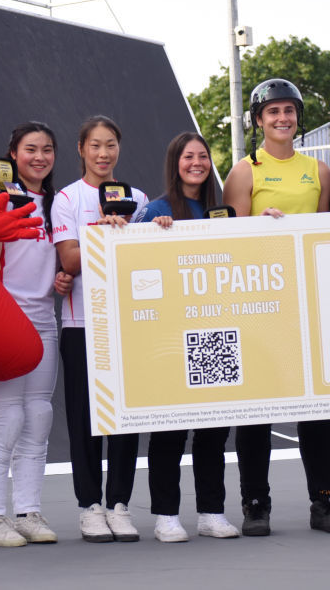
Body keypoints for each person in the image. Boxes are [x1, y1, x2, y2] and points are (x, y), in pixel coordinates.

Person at [222, 78, 330, 537]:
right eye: (272, 112)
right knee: (257, 409)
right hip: (258, 301)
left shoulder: (318, 170)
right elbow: (228, 241)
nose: (282, 119)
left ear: (297, 117)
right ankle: (256, 503)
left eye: (288, 111)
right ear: (258, 120)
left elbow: (321, 235)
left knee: (316, 405)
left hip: (305, 298)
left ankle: (325, 501)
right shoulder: (243, 172)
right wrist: (255, 226)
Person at [136, 132, 240, 543]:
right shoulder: (157, 210)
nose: (196, 163)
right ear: (174, 162)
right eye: (187, 156)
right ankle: (165, 515)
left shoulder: (222, 211)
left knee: (214, 431)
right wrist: (151, 232)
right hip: (170, 334)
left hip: (215, 331)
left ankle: (212, 512)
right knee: (170, 430)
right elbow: (136, 263)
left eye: (202, 156)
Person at [51, 115, 148, 543]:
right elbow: (70, 261)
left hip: (127, 322)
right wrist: (103, 234)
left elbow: (148, 261)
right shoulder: (67, 200)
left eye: (110, 145)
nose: (103, 154)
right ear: (81, 149)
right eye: (95, 145)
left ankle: (120, 504)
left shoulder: (138, 199)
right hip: (80, 323)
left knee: (125, 417)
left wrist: (148, 231)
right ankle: (90, 506)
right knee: (85, 420)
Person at [0, 122, 64, 547]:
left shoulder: (57, 204)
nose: (39, 157)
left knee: (37, 417)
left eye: (47, 150)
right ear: (12, 153)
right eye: (30, 149)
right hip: (3, 318)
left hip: (45, 319)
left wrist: (63, 278)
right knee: (3, 418)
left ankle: (27, 511)